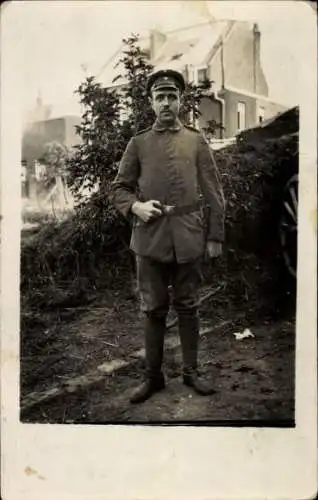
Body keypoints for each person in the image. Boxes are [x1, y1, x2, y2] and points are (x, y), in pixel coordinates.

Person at [111, 69, 225, 404]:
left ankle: (192, 373)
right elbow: (118, 188)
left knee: (189, 306)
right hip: (149, 239)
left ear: (180, 101)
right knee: (154, 309)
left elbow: (214, 191)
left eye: (171, 96)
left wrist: (215, 235)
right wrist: (135, 207)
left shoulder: (195, 141)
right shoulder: (138, 143)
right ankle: (153, 378)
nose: (165, 103)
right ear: (150, 102)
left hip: (189, 236)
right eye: (159, 97)